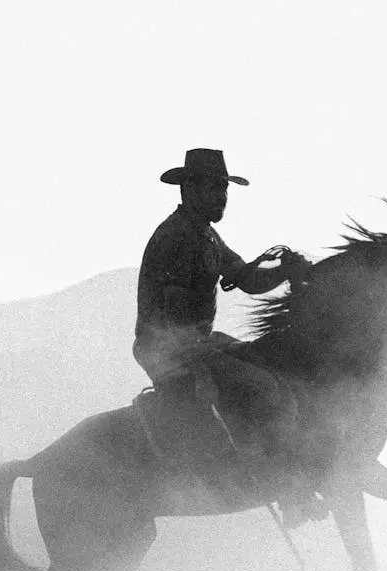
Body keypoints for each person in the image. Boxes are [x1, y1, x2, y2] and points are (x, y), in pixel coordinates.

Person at [133, 148, 321, 525]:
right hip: (168, 348)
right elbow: (172, 312)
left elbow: (246, 278)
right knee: (263, 388)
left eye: (224, 188)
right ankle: (287, 492)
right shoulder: (175, 238)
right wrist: (201, 354)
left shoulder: (206, 236)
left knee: (268, 365)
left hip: (194, 343)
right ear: (189, 190)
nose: (222, 196)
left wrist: (284, 271)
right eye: (214, 188)